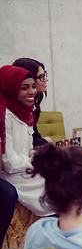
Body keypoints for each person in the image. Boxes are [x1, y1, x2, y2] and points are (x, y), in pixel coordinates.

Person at [0, 65, 54, 216]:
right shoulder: (4, 117)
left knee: (66, 177)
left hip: (26, 169)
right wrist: (36, 161)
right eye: (24, 88)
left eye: (32, 86)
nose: (32, 91)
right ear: (10, 88)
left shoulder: (25, 113)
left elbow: (28, 150)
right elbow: (9, 163)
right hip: (14, 175)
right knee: (57, 189)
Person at [12, 58, 51, 146]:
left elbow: (35, 137)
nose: (46, 79)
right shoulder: (13, 110)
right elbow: (28, 143)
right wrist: (47, 141)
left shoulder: (30, 106)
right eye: (41, 76)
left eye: (44, 75)